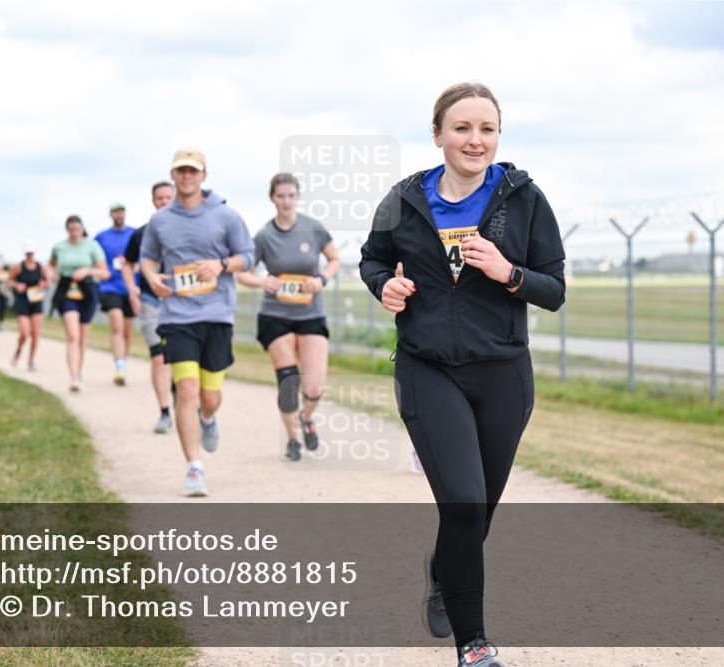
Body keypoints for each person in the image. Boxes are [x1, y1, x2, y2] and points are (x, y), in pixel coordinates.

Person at [359, 82, 565, 667]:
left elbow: (554, 290)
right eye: (462, 128)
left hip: (504, 373)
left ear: (498, 135)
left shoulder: (524, 199)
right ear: (438, 135)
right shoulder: (403, 199)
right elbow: (371, 259)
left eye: (487, 129)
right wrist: (386, 287)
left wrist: (508, 272)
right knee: (465, 505)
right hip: (427, 368)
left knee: (477, 513)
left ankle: (441, 568)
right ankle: (473, 646)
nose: (475, 140)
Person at [140, 149, 254, 497]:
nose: (186, 177)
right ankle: (194, 467)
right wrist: (153, 278)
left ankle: (208, 418)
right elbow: (147, 259)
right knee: (186, 391)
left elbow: (247, 257)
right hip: (177, 316)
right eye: (180, 171)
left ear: (204, 175)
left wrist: (220, 265)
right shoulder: (160, 220)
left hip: (217, 314)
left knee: (210, 396)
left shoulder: (226, 216)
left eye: (192, 171)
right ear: (173, 176)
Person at [237, 173, 340, 462]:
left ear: (298, 197)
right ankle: (293, 438)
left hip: (310, 313)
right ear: (272, 198)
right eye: (280, 196)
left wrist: (321, 280)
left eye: (291, 196)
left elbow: (334, 259)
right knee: (288, 381)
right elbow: (243, 272)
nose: (286, 201)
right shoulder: (264, 236)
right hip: (275, 314)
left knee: (315, 386)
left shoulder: (313, 228)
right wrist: (262, 281)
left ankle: (306, 419)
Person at [122, 181, 176, 434]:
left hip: (182, 301)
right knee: (159, 357)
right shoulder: (141, 234)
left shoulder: (189, 229)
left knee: (183, 357)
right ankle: (164, 411)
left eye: (168, 197)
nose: (164, 202)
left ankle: (184, 400)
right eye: (159, 198)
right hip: (151, 300)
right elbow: (126, 263)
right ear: (153, 201)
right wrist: (132, 288)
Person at [49, 215, 110, 392]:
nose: (74, 232)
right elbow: (50, 266)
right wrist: (51, 274)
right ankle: (73, 376)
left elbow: (104, 273)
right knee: (73, 336)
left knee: (83, 337)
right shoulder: (59, 247)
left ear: (82, 229)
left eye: (77, 228)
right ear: (67, 230)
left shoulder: (92, 246)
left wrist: (87, 270)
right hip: (67, 291)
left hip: (88, 290)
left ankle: (79, 369)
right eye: (71, 229)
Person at [95, 202, 136, 386]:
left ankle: (123, 363)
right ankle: (119, 365)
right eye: (115, 212)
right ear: (110, 214)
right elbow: (95, 260)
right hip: (109, 287)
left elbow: (144, 258)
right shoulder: (101, 238)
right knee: (117, 326)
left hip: (130, 288)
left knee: (127, 330)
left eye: (121, 211)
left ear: (125, 214)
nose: (118, 215)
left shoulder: (134, 234)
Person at [8, 243, 46, 371]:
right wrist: (16, 285)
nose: (30, 255)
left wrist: (43, 284)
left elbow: (48, 280)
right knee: (25, 332)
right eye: (28, 253)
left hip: (36, 301)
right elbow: (9, 280)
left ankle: (31, 360)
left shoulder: (41, 267)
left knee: (35, 333)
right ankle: (18, 350)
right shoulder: (18, 267)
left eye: (32, 253)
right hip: (22, 301)